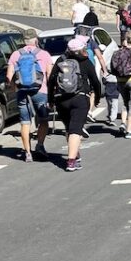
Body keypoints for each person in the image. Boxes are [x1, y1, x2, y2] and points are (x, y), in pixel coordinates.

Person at [50, 39, 102, 172]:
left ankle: (76, 156)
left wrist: (50, 99)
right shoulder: (85, 61)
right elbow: (95, 82)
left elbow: (51, 80)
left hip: (61, 100)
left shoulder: (60, 60)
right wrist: (96, 98)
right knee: (76, 130)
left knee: (69, 129)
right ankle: (71, 161)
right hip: (80, 98)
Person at [5, 33, 52, 162]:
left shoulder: (16, 54)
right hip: (40, 91)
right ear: (35, 40)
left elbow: (9, 77)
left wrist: (15, 88)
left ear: (24, 41)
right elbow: (49, 75)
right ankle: (40, 145)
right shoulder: (44, 54)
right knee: (43, 120)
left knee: (25, 123)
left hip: (22, 92)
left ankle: (27, 153)